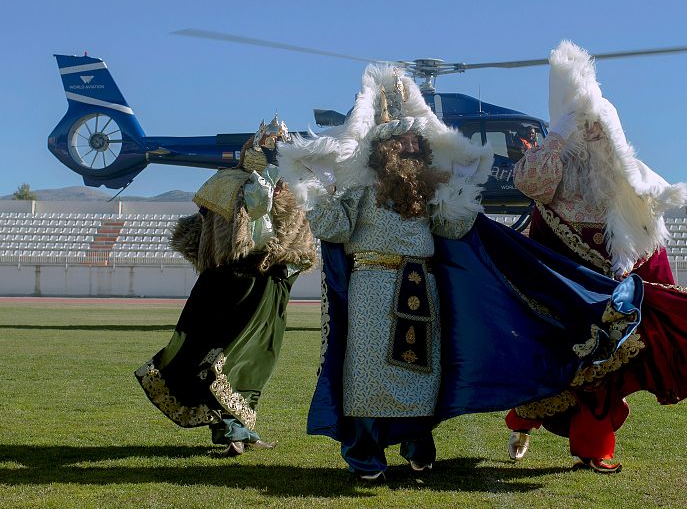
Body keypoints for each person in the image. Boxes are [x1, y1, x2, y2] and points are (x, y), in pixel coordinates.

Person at [506, 41, 687, 472]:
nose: (592, 134)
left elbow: (649, 242)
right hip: (560, 296)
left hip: (612, 302)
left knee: (605, 377)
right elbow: (530, 180)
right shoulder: (555, 175)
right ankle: (521, 421)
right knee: (549, 375)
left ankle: (594, 449)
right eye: (584, 127)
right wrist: (559, 133)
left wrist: (631, 270)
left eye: (598, 128)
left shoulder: (630, 186)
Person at [278, 64, 493, 480]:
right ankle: (366, 452)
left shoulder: (428, 189)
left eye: (418, 141)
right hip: (373, 285)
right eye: (407, 140)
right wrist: (316, 194)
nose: (415, 145)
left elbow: (453, 229)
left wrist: (459, 196)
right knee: (370, 367)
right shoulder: (361, 189)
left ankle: (417, 444)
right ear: (387, 147)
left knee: (419, 366)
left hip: (421, 283)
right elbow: (335, 228)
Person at [135, 117, 317, 456]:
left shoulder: (295, 187)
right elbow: (225, 226)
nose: (276, 149)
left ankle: (241, 430)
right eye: (270, 144)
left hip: (270, 284)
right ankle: (233, 431)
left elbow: (298, 240)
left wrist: (286, 271)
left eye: (281, 145)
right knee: (224, 358)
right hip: (231, 281)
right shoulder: (227, 182)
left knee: (256, 360)